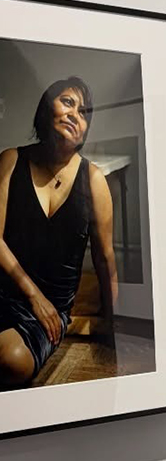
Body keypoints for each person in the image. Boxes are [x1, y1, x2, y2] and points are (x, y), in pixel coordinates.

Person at [0, 78, 119, 387]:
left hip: (48, 314)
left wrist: (112, 325)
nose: (74, 115)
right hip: (6, 290)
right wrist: (32, 294)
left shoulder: (94, 181)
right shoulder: (11, 160)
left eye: (84, 113)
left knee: (11, 359)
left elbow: (105, 260)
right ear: (45, 108)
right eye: (67, 102)